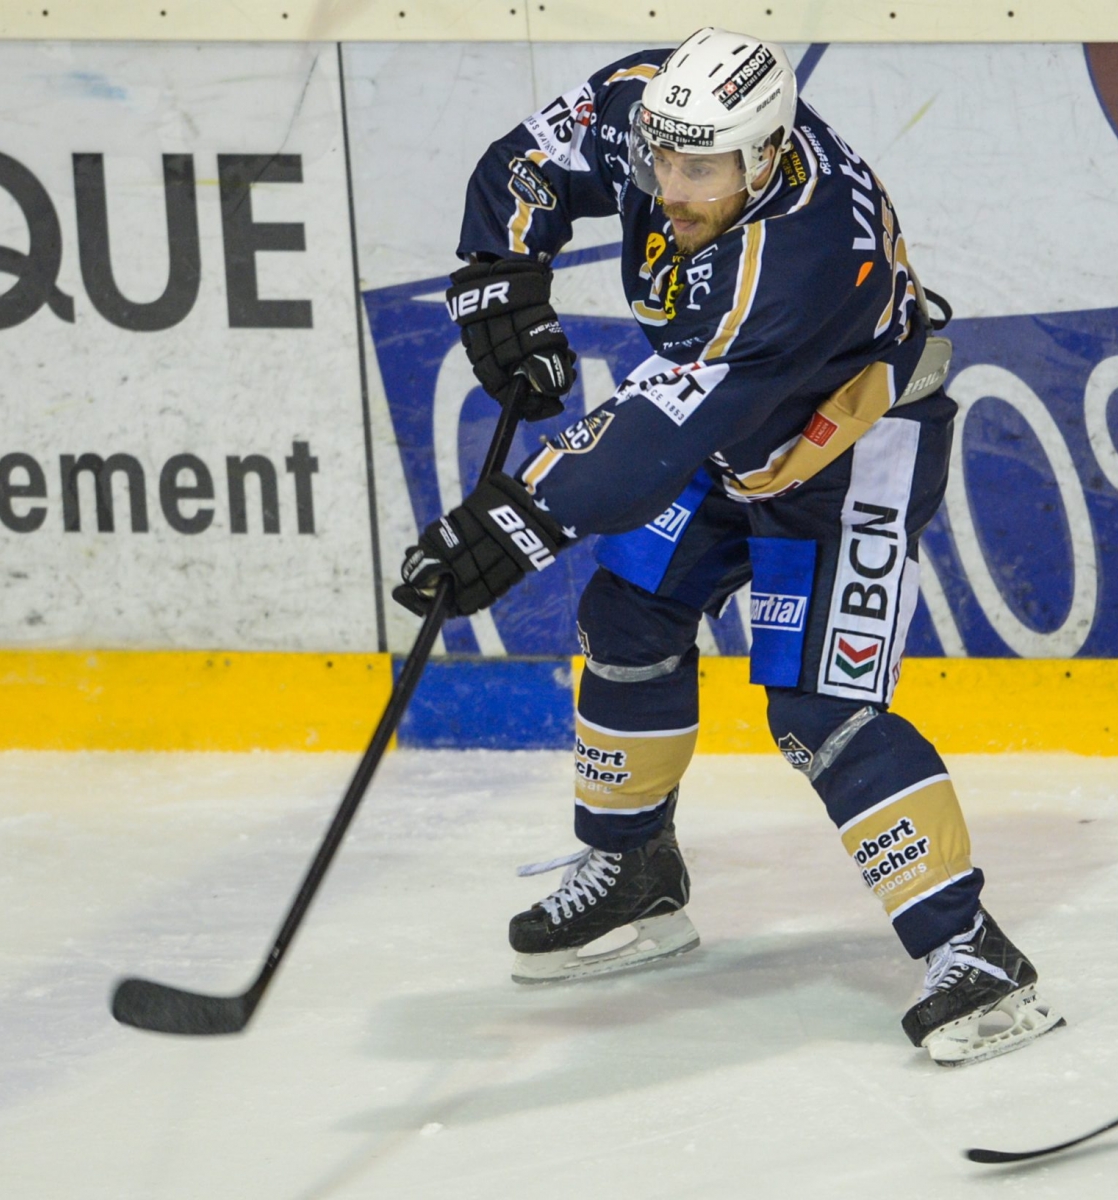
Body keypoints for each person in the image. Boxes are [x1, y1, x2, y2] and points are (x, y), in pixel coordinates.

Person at [396, 28, 1061, 1065]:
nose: (668, 184)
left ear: (765, 154)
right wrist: (499, 275)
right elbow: (524, 164)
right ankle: (631, 875)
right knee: (625, 619)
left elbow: (653, 437)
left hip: (844, 451)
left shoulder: (798, 256)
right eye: (660, 157)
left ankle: (969, 952)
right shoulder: (654, 110)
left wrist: (515, 520)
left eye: (698, 168)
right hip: (720, 430)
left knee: (816, 710)